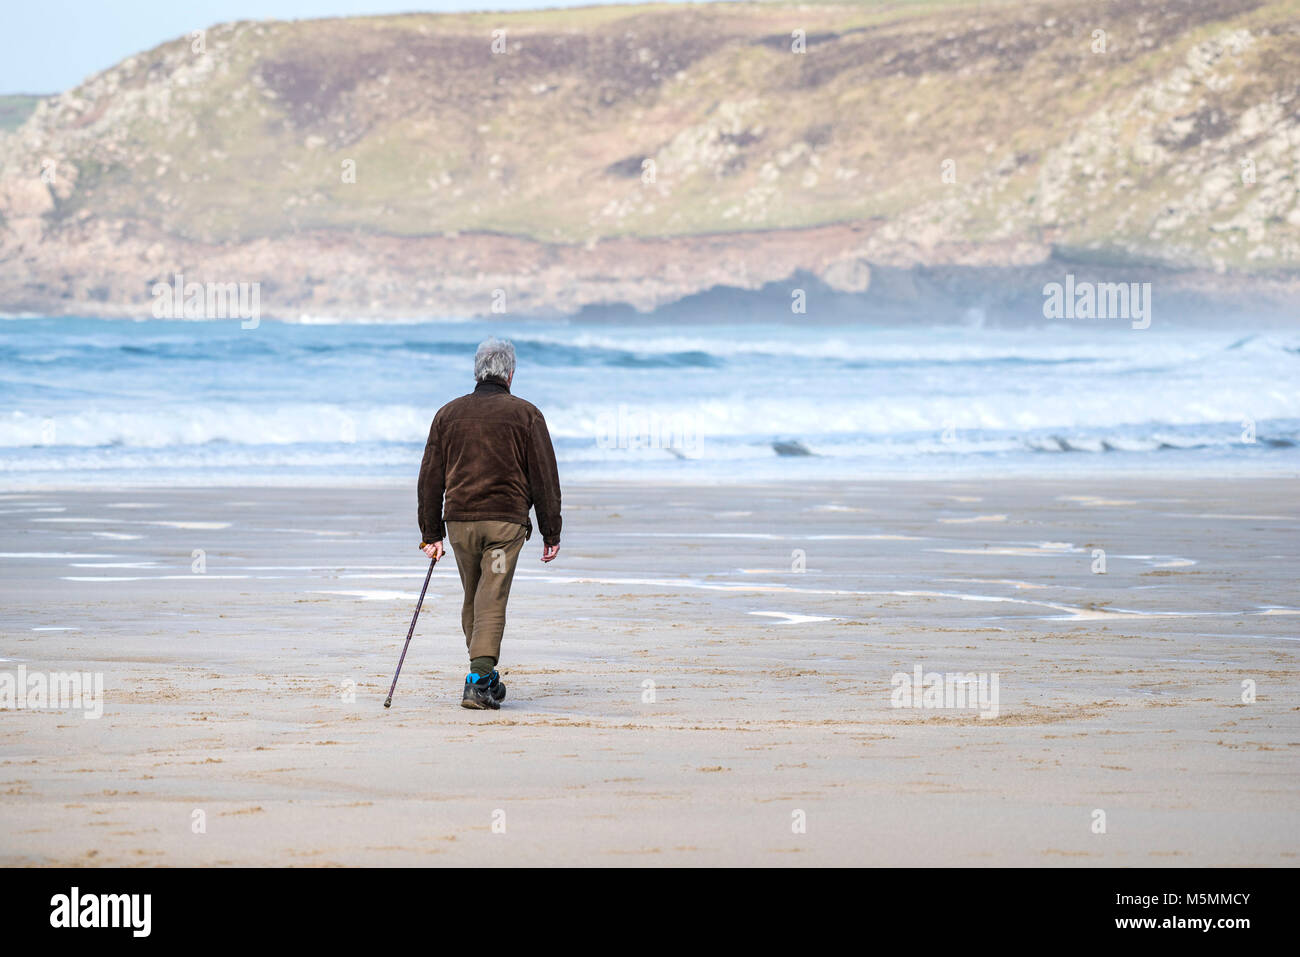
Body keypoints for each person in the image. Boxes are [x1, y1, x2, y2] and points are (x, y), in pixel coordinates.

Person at [417, 337, 562, 709]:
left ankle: (484, 672)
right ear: (510, 374)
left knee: (476, 595)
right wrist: (551, 530)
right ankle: (479, 679)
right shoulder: (526, 414)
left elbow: (430, 476)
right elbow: (544, 476)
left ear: (477, 371)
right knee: (491, 596)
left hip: (460, 524)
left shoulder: (448, 414)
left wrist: (430, 532)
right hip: (504, 526)